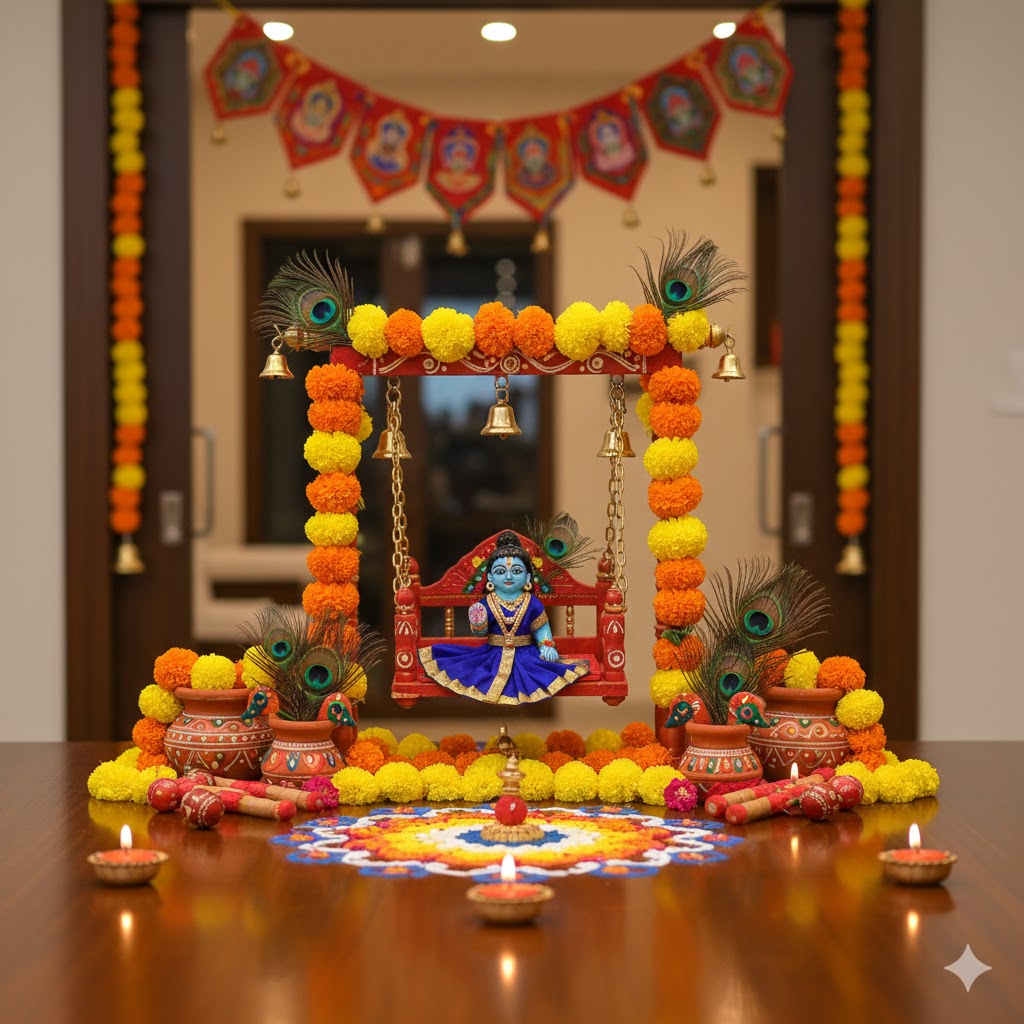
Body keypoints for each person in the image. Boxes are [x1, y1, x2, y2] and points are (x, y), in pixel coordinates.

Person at [418, 531, 588, 704]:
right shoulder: (487, 603)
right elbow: (481, 634)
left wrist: (546, 646)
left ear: (528, 577)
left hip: (526, 655)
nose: (508, 576)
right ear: (490, 577)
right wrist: (478, 623)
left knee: (543, 672)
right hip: (492, 656)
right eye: (500, 571)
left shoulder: (532, 603)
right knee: (473, 672)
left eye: (516, 571)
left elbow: (541, 629)